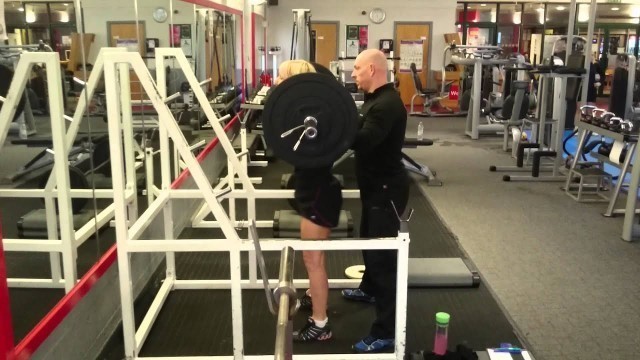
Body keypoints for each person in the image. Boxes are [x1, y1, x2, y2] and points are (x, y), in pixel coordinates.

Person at [345, 49, 410, 353]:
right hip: (374, 187)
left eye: (356, 68)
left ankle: (385, 332)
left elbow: (364, 140)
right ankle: (368, 288)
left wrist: (334, 130)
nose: (353, 74)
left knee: (383, 260)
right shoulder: (374, 99)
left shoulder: (385, 105)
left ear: (372, 69)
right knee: (368, 242)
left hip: (386, 191)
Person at [274, 59, 343, 342]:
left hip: (318, 194)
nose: (276, 82)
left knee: (312, 260)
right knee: (314, 258)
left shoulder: (311, 120)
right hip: (312, 189)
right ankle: (316, 299)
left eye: (281, 77)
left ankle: (320, 323)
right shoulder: (302, 117)